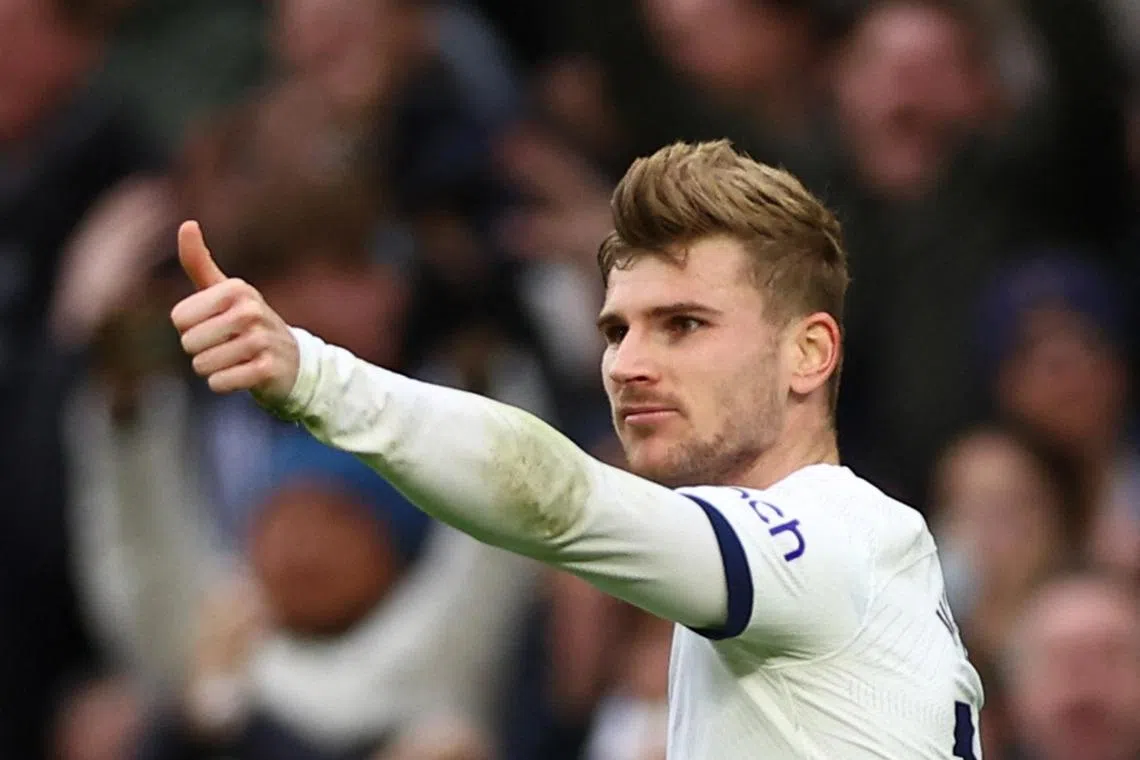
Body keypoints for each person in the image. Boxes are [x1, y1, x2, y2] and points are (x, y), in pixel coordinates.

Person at [170, 139, 984, 758]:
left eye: (683, 325)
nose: (628, 364)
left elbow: (558, 500)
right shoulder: (798, 594)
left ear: (809, 353)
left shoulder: (833, 541)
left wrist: (314, 375)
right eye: (616, 330)